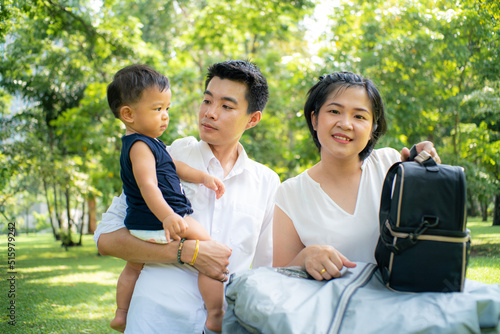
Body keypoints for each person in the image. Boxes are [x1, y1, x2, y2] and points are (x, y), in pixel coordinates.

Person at [94, 60, 280, 333]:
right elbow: (106, 239)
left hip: (225, 324)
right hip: (155, 320)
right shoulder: (165, 156)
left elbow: (267, 269)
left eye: (226, 106)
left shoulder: (266, 182)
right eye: (207, 101)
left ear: (252, 119)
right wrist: (185, 253)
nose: (210, 113)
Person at [273, 72, 441, 280]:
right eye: (334, 111)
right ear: (314, 119)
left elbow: (430, 227)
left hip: (398, 301)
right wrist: (305, 257)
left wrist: (426, 170)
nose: (346, 124)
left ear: (372, 129)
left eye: (359, 116)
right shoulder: (290, 193)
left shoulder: (390, 165)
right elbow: (278, 276)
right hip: (331, 310)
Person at [106, 64, 227, 332]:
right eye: (157, 109)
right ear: (128, 114)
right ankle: (215, 313)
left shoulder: (149, 143)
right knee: (211, 255)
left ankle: (121, 313)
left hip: (139, 225)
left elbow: (176, 167)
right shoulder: (139, 147)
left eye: (167, 109)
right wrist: (168, 215)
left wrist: (204, 177)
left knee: (133, 268)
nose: (165, 116)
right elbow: (148, 185)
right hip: (161, 220)